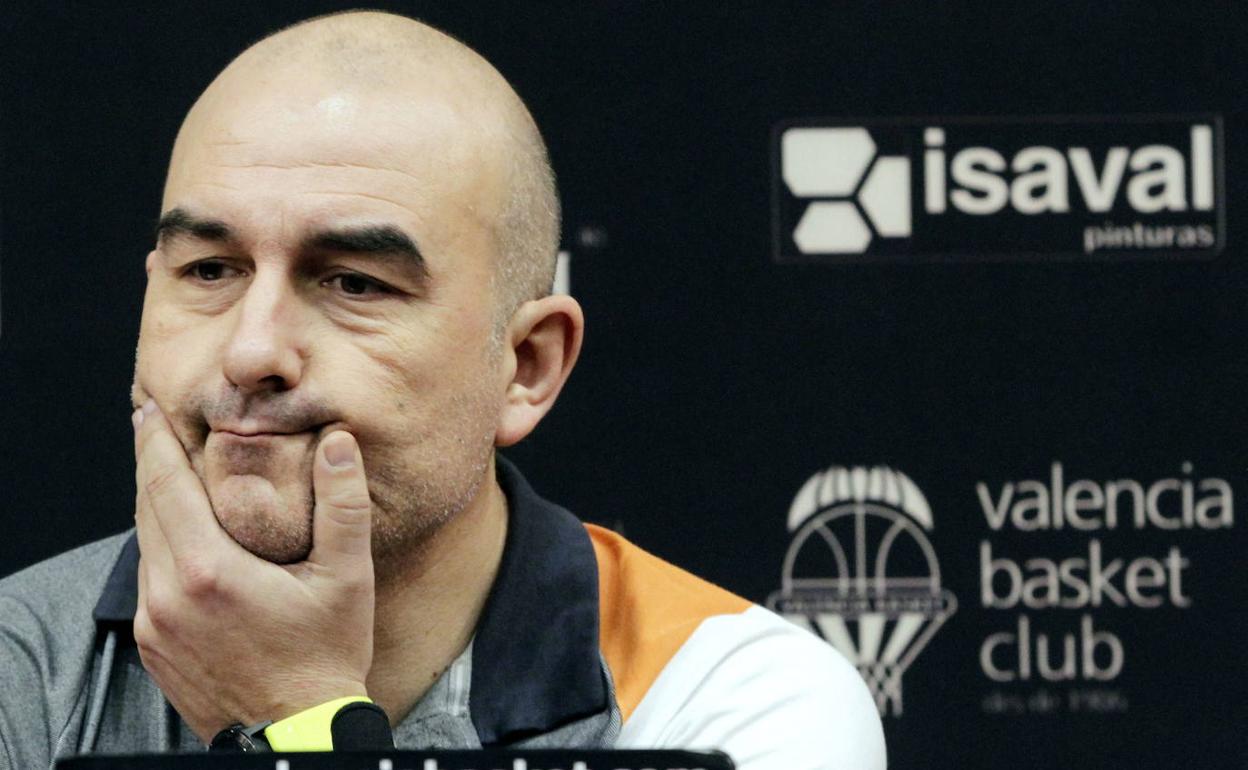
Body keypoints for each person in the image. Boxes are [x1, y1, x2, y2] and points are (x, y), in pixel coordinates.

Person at [0, 10, 885, 770]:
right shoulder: (21, 663)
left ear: (527, 365)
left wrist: (297, 719)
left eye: (353, 283)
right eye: (209, 269)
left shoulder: (728, 699)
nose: (252, 350)